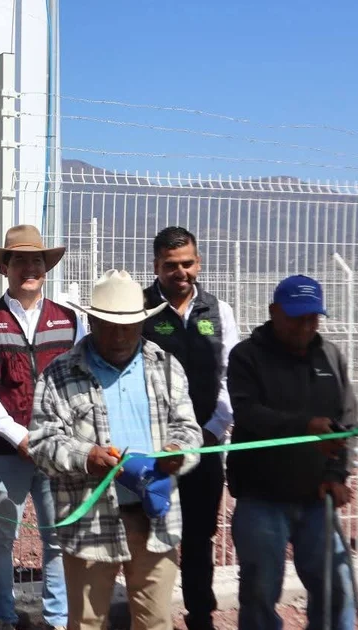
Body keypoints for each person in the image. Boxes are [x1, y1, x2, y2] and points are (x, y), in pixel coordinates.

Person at [30, 269, 203, 630]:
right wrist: (86, 457)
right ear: (91, 321)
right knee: (87, 622)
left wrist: (176, 453)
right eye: (108, 325)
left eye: (128, 326)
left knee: (155, 620)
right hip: (91, 519)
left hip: (155, 517)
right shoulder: (59, 374)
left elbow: (189, 431)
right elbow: (42, 443)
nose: (120, 335)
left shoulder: (166, 367)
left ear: (142, 323)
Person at [0, 224, 83, 630]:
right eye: (20, 260)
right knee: (1, 538)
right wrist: (18, 436)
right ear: (6, 267)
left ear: (45, 267)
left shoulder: (69, 320)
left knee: (57, 537)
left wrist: (55, 437)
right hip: (5, 453)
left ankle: (57, 618)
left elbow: (79, 384)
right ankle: (2, 617)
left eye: (36, 260)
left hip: (57, 452)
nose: (29, 268)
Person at [227, 274, 358, 630]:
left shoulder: (329, 356)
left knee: (336, 588)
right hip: (262, 497)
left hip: (318, 497)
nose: (304, 327)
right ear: (274, 312)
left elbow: (347, 419)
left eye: (312, 318)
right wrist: (305, 427)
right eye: (296, 317)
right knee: (259, 592)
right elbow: (249, 413)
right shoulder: (247, 357)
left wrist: (336, 474)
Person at [139, 227, 239, 630]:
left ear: (198, 262)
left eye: (187, 264)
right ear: (156, 266)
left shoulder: (219, 311)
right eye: (170, 266)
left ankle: (201, 617)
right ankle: (149, 617)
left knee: (199, 540)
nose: (181, 272)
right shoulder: (140, 309)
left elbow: (231, 375)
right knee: (149, 540)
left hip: (207, 446)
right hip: (154, 449)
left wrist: (214, 428)